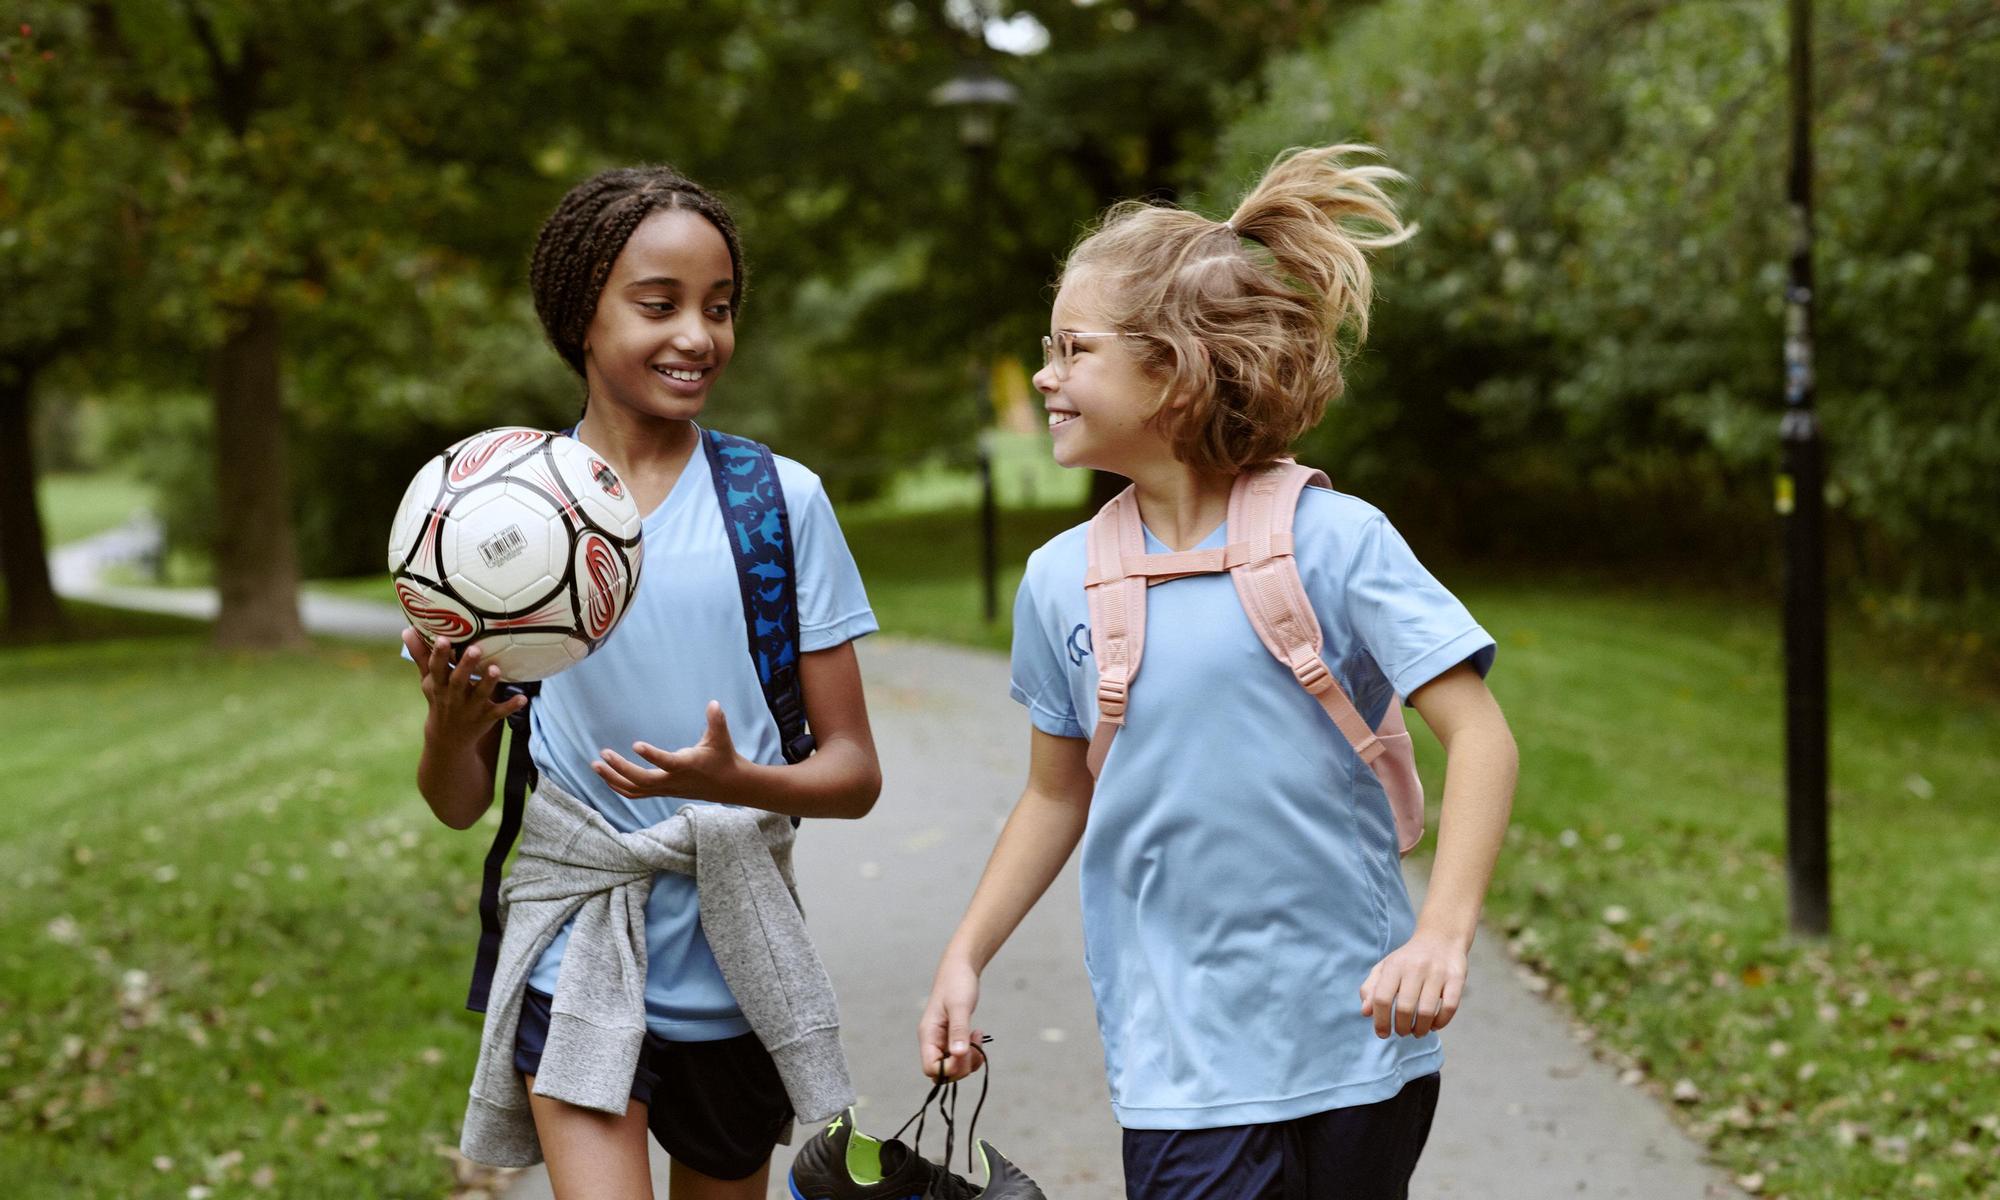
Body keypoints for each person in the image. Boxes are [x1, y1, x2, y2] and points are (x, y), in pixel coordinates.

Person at [917, 145, 1518, 1200]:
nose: (1045, 375)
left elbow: (1480, 736)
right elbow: (1055, 792)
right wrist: (965, 952)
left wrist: (1441, 936)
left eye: (1072, 348)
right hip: (1177, 1060)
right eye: (1045, 348)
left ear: (1173, 366)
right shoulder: (1059, 580)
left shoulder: (1335, 541)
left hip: (1360, 1041)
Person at [407, 165, 883, 1200]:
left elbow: (851, 776)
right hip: (576, 941)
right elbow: (458, 805)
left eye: (718, 309)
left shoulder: (777, 502)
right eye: (657, 305)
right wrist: (449, 730)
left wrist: (736, 783)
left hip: (735, 957)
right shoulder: (497, 523)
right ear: (581, 315)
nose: (697, 337)